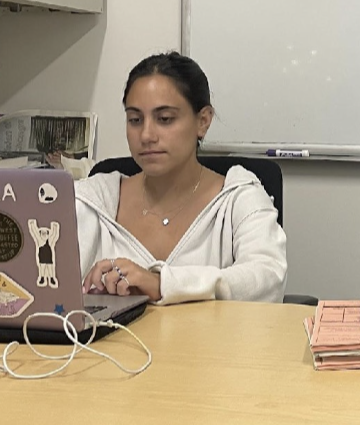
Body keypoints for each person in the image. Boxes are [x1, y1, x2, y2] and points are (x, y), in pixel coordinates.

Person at [75, 51, 287, 305]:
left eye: (164, 119)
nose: (146, 135)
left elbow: (267, 279)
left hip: (212, 345)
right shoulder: (91, 200)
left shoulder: (238, 197)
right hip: (106, 345)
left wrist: (162, 284)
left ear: (203, 121)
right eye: (135, 120)